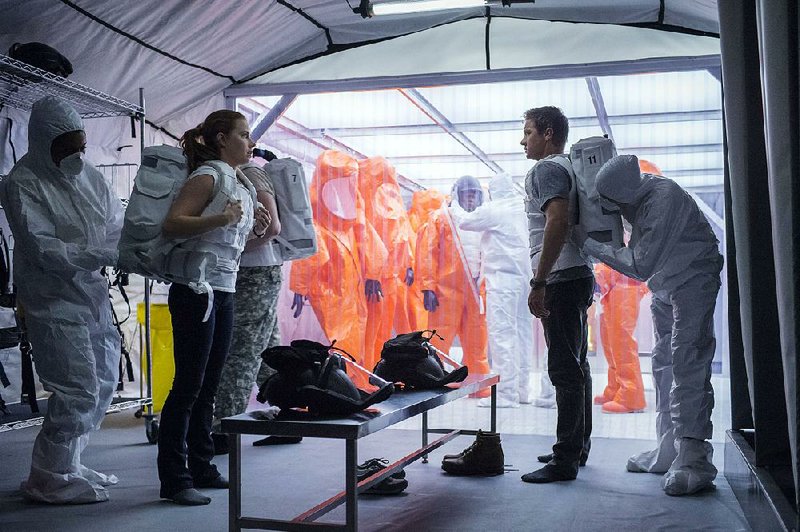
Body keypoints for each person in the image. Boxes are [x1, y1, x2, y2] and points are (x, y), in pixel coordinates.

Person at [1, 96, 123, 503]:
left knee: (103, 380)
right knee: (76, 389)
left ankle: (69, 462)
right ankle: (47, 476)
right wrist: (100, 255)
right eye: (66, 147)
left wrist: (127, 249)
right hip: (52, 300)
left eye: (80, 147)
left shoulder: (89, 176)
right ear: (42, 143)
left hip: (90, 293)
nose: (75, 155)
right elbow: (43, 249)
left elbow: (113, 224)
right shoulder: (21, 183)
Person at [579, 154, 723, 496]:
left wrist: (590, 244)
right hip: (666, 284)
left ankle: (694, 456)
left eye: (613, 205)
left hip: (693, 278)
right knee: (663, 363)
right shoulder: (643, 198)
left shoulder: (664, 198)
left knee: (688, 361)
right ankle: (669, 446)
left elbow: (640, 264)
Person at [156, 110, 270, 506]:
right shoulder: (208, 175)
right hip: (194, 291)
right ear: (221, 139)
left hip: (222, 290)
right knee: (188, 385)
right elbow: (173, 223)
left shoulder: (237, 181)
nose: (250, 142)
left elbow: (229, 234)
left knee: (208, 385)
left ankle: (201, 465)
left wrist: (249, 221)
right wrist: (223, 217)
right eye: (243, 135)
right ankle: (175, 478)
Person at [521, 106, 594, 484]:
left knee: (564, 369)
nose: (523, 140)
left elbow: (557, 220)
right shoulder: (569, 168)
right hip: (578, 273)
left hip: (561, 278)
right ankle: (576, 447)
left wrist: (539, 281)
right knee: (577, 364)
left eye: (529, 132)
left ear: (548, 133)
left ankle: (564, 460)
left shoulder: (547, 169)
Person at [289, 150, 387, 380]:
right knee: (340, 343)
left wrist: (373, 274)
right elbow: (310, 257)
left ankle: (356, 384)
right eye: (337, 185)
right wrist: (300, 288)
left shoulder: (353, 223)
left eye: (348, 185)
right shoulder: (318, 226)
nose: (343, 192)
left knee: (359, 339)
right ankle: (341, 386)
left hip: (354, 294)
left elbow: (369, 242)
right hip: (327, 296)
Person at [212, 159, 288, 453]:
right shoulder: (242, 175)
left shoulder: (252, 174)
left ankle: (223, 428)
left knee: (241, 352)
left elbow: (272, 228)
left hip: (253, 272)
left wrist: (227, 247)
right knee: (268, 350)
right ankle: (286, 417)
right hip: (258, 273)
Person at [458, 173, 533, 408]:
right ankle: (522, 390)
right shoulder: (522, 210)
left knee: (502, 336)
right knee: (523, 336)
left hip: (503, 281)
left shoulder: (495, 209)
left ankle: (506, 395)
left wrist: (452, 204)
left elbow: (464, 222)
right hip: (526, 282)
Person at [416, 176, 490, 389]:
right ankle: (432, 382)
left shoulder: (483, 221)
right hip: (445, 290)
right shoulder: (442, 218)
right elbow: (427, 252)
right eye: (467, 194)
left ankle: (478, 385)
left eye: (474, 194)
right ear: (457, 194)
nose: (470, 198)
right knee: (439, 338)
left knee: (477, 339)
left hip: (476, 291)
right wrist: (428, 287)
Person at [357, 157, 415, 370]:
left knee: (382, 331)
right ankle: (366, 374)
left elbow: (401, 235)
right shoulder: (364, 200)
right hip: (372, 280)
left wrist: (408, 264)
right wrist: (372, 274)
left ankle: (378, 372)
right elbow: (368, 238)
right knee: (370, 332)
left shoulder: (388, 198)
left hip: (390, 278)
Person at [593, 259, 648, 414]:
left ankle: (631, 396)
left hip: (625, 280)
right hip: (612, 279)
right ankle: (616, 387)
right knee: (610, 340)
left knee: (622, 340)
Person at [404, 189, 447, 332]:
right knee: (422, 320)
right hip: (423, 281)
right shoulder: (433, 223)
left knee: (420, 320)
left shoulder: (413, 221)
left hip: (423, 281)